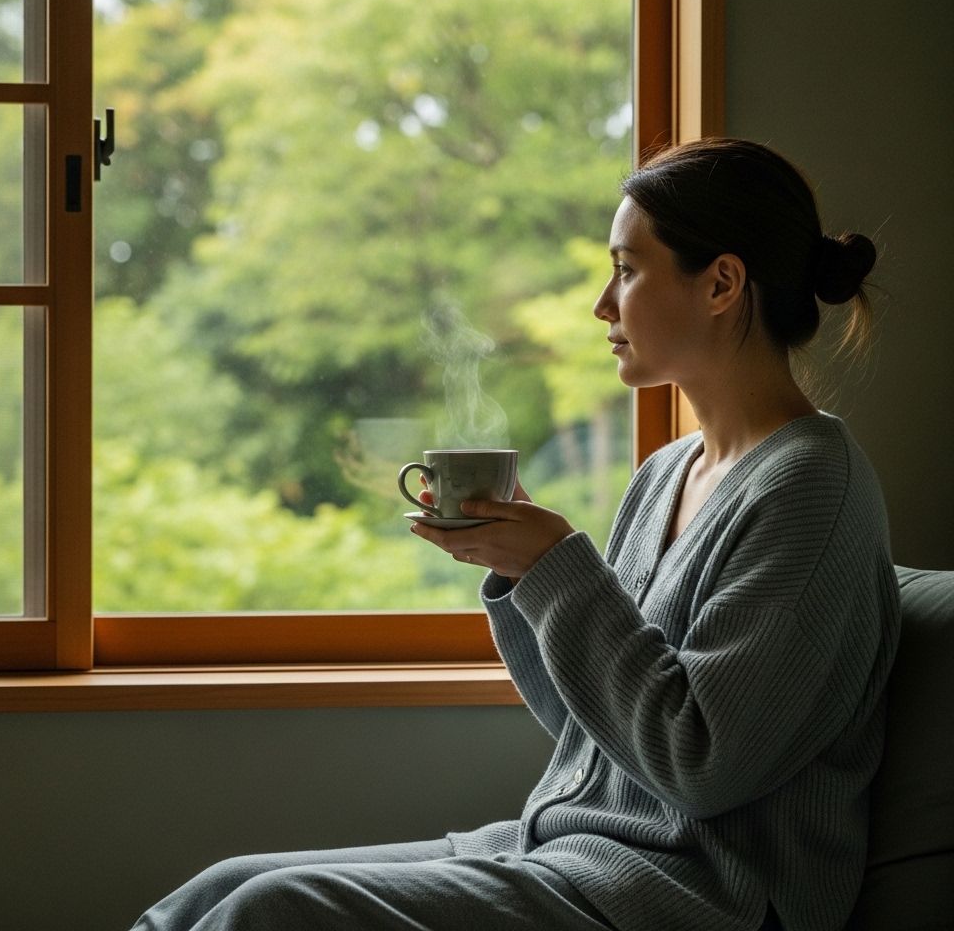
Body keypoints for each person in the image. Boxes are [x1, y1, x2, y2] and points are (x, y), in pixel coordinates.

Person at [130, 138, 900, 931]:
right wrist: (519, 574)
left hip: (697, 898)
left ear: (722, 284)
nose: (604, 303)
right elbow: (594, 732)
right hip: (568, 851)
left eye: (627, 270)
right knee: (219, 888)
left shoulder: (813, 486)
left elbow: (700, 765)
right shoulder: (667, 473)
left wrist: (557, 568)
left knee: (273, 913)